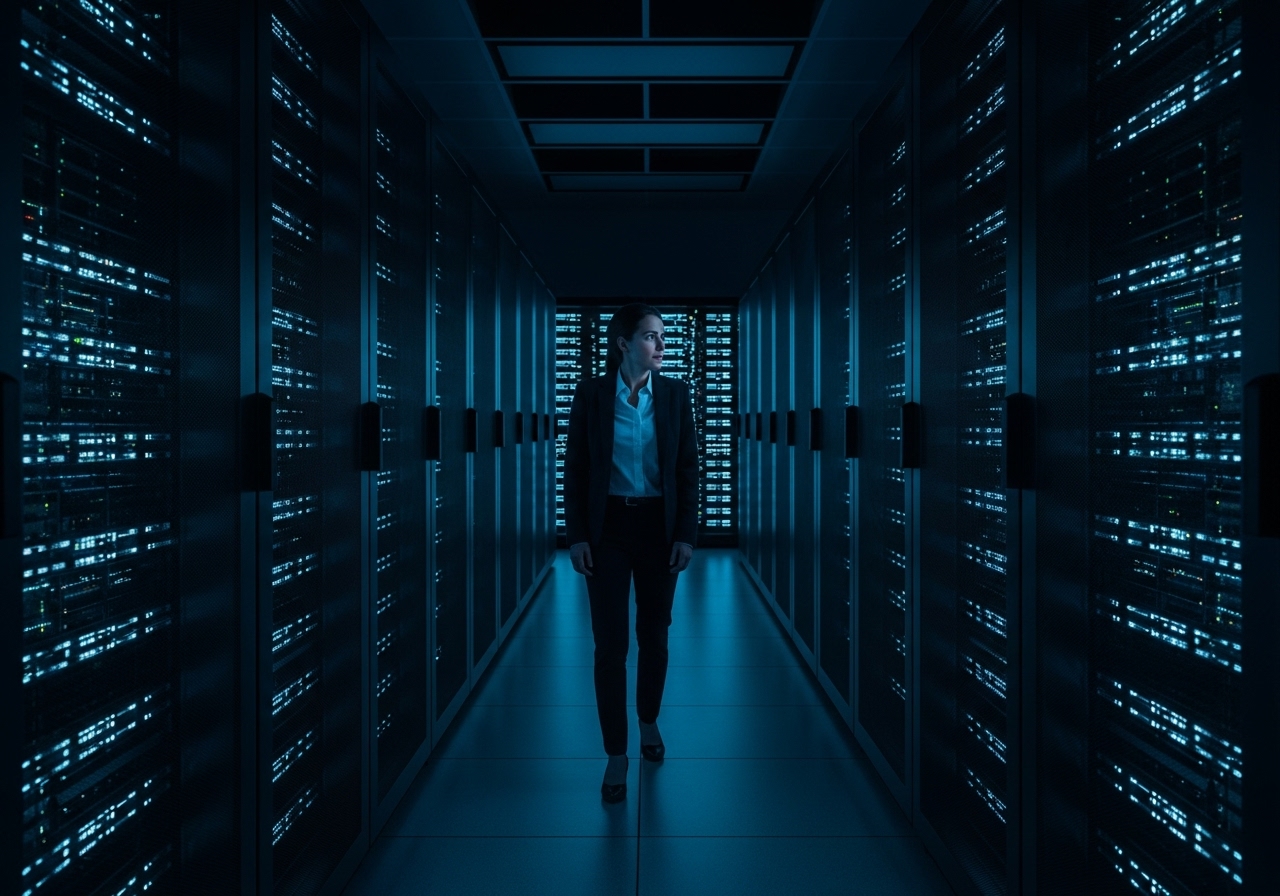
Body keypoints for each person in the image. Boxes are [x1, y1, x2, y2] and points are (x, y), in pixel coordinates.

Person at [562, 303, 699, 803]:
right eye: (650, 337)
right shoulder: (592, 394)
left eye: (661, 337)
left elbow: (687, 469)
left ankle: (647, 721)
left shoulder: (674, 394)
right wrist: (577, 534)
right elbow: (575, 469)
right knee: (609, 645)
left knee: (655, 634)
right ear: (623, 344)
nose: (660, 346)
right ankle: (616, 754)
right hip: (609, 528)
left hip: (659, 527)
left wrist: (685, 533)